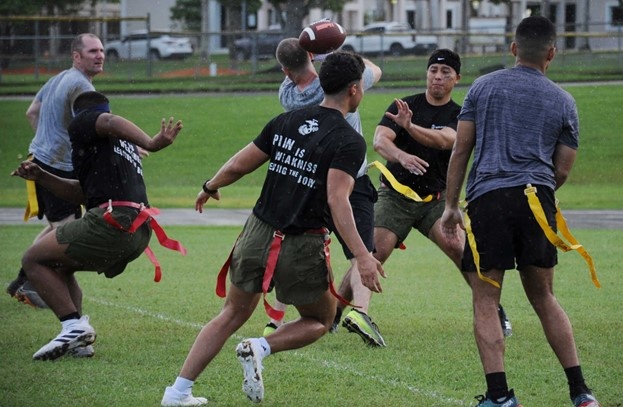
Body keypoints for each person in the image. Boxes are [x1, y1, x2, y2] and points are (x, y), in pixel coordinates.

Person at [160, 51, 385, 407]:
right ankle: (261, 346)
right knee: (320, 319)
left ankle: (177, 392)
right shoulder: (349, 140)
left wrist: (209, 185)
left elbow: (239, 164)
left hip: (256, 233)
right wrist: (363, 256)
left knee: (231, 314)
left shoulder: (287, 120)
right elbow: (338, 201)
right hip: (301, 243)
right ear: (355, 91)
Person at [440, 16, 600, 407]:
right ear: (552, 54)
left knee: (486, 297)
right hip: (537, 200)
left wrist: (449, 206)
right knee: (544, 297)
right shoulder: (565, 101)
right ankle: (581, 392)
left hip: (488, 200)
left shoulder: (482, 87)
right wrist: (541, 193)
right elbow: (562, 168)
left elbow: (461, 149)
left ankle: (499, 397)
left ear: (513, 49)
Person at [350, 48, 512, 340]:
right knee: (371, 254)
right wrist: (400, 155)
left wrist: (410, 128)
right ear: (426, 74)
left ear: (456, 79)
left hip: (435, 202)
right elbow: (379, 140)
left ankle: (494, 310)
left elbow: (446, 140)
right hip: (396, 197)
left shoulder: (460, 114)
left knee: (461, 252)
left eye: (445, 73)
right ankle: (338, 314)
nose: (437, 77)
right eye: (433, 71)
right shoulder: (405, 105)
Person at [11, 91, 184, 361]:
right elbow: (86, 194)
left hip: (113, 223)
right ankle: (79, 342)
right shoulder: (114, 145)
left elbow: (109, 120)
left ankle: (72, 326)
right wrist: (42, 177)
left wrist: (152, 142)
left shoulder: (85, 121)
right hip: (138, 231)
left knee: (32, 258)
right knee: (60, 265)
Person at [261, 37, 385, 347]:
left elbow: (301, 70)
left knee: (295, 248)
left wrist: (315, 54)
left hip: (308, 180)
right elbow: (373, 70)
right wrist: (336, 50)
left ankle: (274, 319)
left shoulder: (287, 94)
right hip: (348, 176)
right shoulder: (342, 84)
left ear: (285, 71)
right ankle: (360, 312)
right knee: (362, 249)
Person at [7, 33, 105, 309]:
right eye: (92, 51)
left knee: (56, 226)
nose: (99, 55)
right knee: (66, 239)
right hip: (57, 169)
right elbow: (93, 126)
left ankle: (23, 279)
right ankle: (68, 314)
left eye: (101, 50)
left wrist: (47, 142)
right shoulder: (80, 86)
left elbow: (31, 112)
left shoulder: (58, 78)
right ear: (77, 56)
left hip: (39, 159)